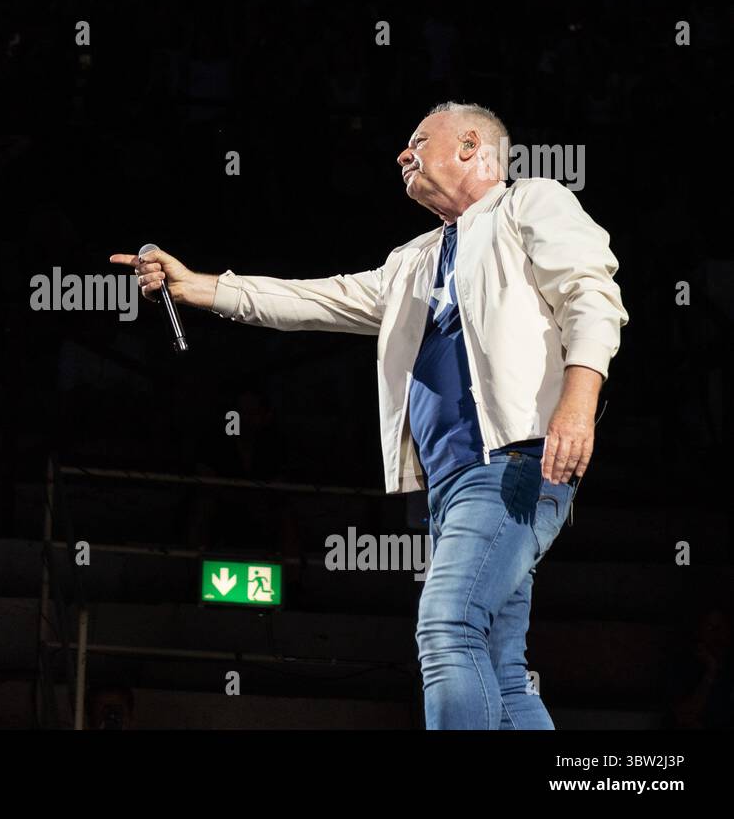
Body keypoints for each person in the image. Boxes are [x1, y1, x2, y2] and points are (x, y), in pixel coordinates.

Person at [111, 102, 629, 730]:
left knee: (447, 628)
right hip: (451, 485)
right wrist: (196, 285)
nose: (402, 155)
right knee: (501, 666)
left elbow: (591, 292)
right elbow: (313, 298)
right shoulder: (412, 259)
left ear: (471, 146)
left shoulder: (530, 203)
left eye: (417, 141)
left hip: (516, 463)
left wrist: (579, 399)